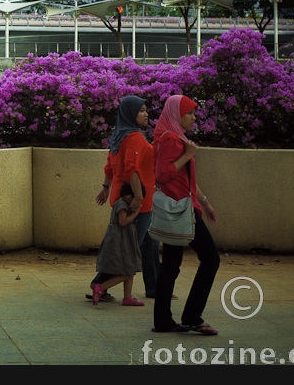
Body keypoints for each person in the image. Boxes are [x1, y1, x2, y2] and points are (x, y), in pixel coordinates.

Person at [151, 94, 221, 335]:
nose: (193, 118)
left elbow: (186, 179)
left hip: (184, 207)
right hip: (181, 210)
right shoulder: (171, 139)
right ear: (176, 114)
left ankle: (163, 321)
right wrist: (188, 154)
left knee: (170, 264)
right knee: (211, 259)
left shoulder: (175, 137)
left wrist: (206, 203)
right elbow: (163, 174)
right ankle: (191, 316)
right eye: (189, 113)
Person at [91, 95, 160, 301]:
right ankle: (99, 284)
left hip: (123, 197)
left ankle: (155, 287)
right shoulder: (134, 137)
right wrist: (139, 197)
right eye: (141, 110)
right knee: (129, 247)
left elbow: (110, 165)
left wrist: (105, 187)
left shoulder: (119, 135)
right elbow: (131, 169)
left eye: (146, 110)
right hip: (137, 201)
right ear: (130, 113)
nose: (146, 114)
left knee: (149, 244)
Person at [92, 182, 144, 306]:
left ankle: (127, 297)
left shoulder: (120, 203)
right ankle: (100, 287)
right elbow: (123, 221)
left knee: (130, 268)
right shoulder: (122, 205)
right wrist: (136, 214)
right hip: (120, 243)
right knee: (127, 272)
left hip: (123, 241)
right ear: (129, 197)